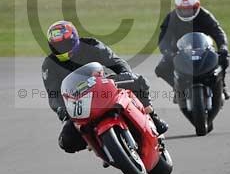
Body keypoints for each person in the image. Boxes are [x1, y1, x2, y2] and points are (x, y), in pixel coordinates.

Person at [41, 20, 169, 153]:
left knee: (138, 80)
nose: (62, 48)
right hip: (79, 102)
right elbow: (53, 94)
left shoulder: (91, 45)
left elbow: (115, 61)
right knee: (66, 142)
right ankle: (96, 143)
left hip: (105, 86)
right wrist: (61, 109)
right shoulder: (49, 65)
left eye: (65, 44)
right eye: (57, 46)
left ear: (74, 40)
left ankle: (152, 115)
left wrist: (125, 73)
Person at [155, 0, 230, 99]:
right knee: (161, 68)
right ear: (177, 8)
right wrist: (168, 52)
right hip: (180, 52)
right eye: (183, 10)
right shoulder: (171, 18)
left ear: (197, 7)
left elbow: (218, 32)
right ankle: (178, 89)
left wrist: (223, 46)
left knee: (223, 57)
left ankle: (222, 85)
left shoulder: (205, 15)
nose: (186, 13)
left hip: (204, 49)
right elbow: (163, 39)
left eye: (190, 10)